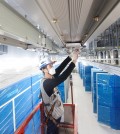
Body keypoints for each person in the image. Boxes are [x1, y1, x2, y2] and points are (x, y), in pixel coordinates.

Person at [39, 50, 79, 134]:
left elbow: (60, 68)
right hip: (52, 119)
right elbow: (62, 77)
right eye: (50, 65)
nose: (52, 67)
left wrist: (70, 57)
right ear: (44, 69)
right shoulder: (47, 83)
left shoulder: (50, 77)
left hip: (55, 116)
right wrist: (74, 61)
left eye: (51, 65)